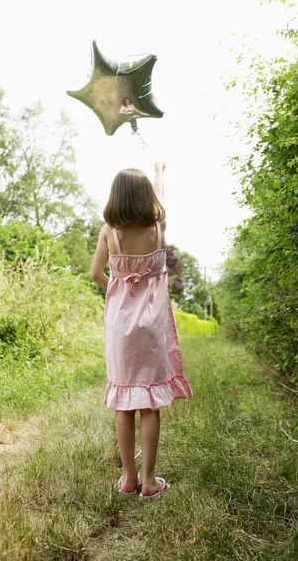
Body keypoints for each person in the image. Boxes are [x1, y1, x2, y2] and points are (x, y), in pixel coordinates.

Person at [91, 161, 192, 500]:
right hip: (151, 325)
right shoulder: (158, 227)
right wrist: (161, 170)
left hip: (120, 327)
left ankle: (128, 478)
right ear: (146, 196)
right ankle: (149, 482)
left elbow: (95, 274)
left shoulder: (110, 231)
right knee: (149, 403)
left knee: (124, 402)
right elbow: (161, 196)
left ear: (115, 197)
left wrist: (119, 292)